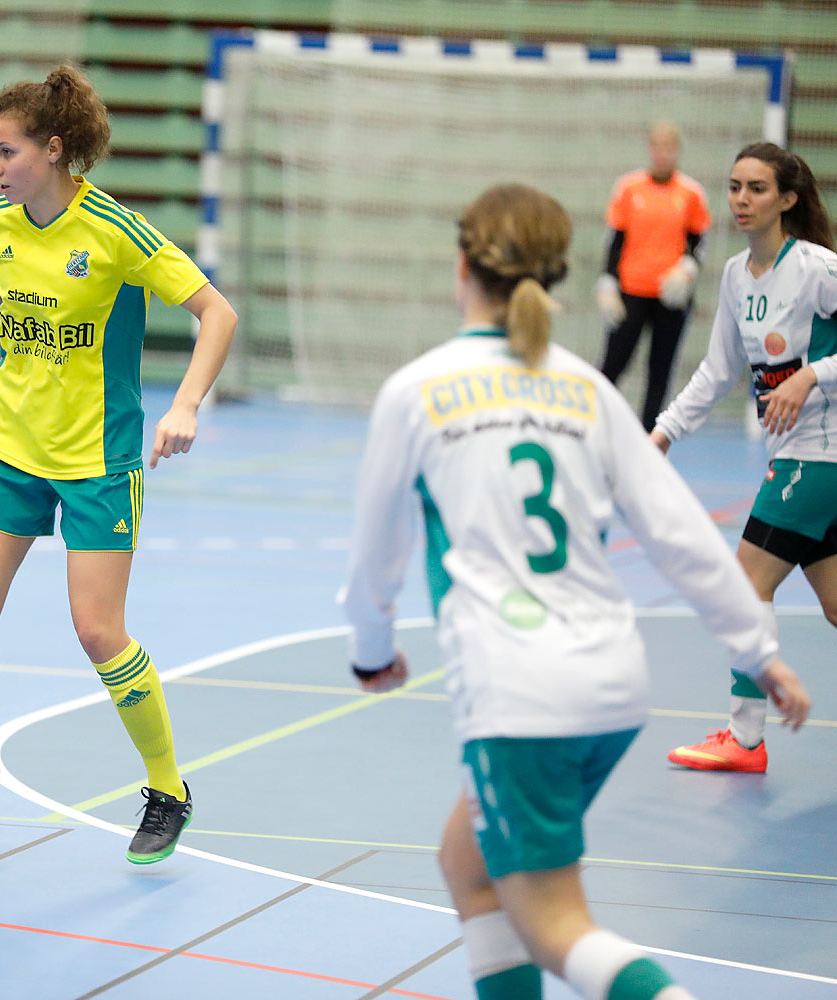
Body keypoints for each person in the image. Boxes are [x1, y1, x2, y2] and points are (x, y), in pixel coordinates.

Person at [342, 183, 809, 1000]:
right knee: (468, 863)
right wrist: (758, 651)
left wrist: (372, 655)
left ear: (463, 264)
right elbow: (683, 536)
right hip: (614, 685)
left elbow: (376, 558)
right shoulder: (586, 390)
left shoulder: (418, 389)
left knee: (553, 923)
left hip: (521, 692)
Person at [0, 64, 237, 864]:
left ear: (54, 149)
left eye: (6, 152)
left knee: (99, 631)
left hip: (98, 459)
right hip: (8, 448)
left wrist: (185, 405)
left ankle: (168, 788)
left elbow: (217, 311)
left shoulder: (115, 230)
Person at [651, 141, 837, 773]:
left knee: (745, 583)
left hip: (820, 458)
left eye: (756, 188)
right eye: (734, 187)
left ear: (787, 199)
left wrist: (810, 375)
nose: (741, 199)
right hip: (799, 458)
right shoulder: (735, 275)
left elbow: (814, 368)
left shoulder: (816, 268)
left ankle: (746, 738)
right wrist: (665, 432)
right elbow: (719, 370)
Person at [595, 121, 713, 430]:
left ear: (677, 151)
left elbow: (699, 242)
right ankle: (594, 426)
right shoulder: (628, 187)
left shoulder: (691, 193)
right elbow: (615, 239)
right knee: (612, 365)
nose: (662, 154)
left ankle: (650, 437)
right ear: (650, 149)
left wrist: (686, 271)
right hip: (631, 292)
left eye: (669, 147)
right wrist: (608, 282)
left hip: (670, 296)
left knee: (660, 371)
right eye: (657, 146)